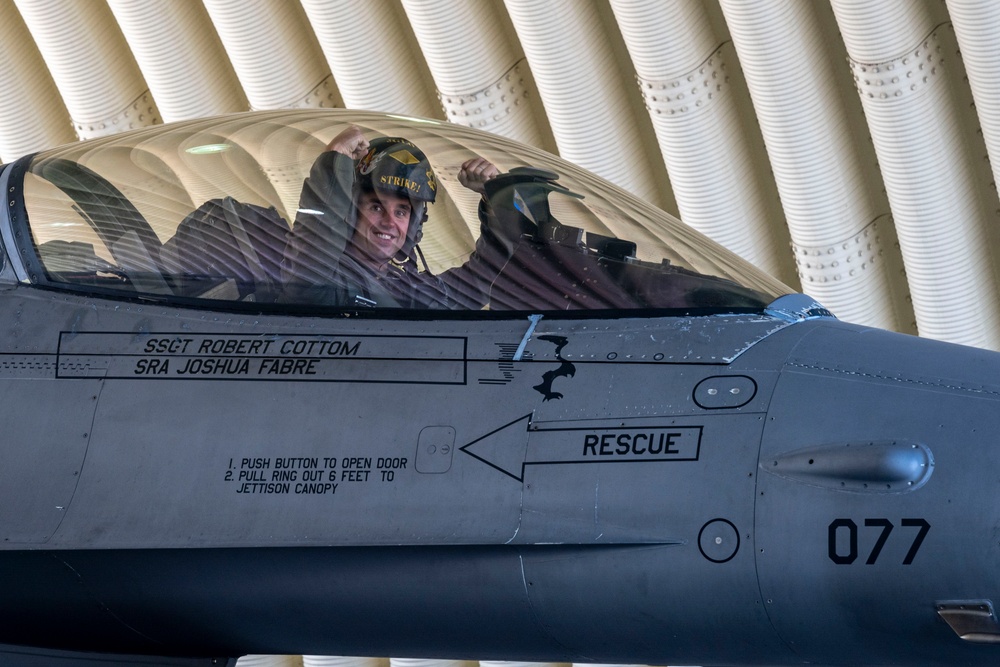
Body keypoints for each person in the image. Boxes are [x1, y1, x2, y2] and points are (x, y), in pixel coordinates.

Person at [281, 125, 507, 309]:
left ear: (414, 226)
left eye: (401, 211)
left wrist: (496, 199)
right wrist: (335, 160)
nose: (390, 222)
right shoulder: (320, 281)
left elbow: (491, 275)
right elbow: (310, 257)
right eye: (377, 207)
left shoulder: (414, 293)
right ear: (350, 212)